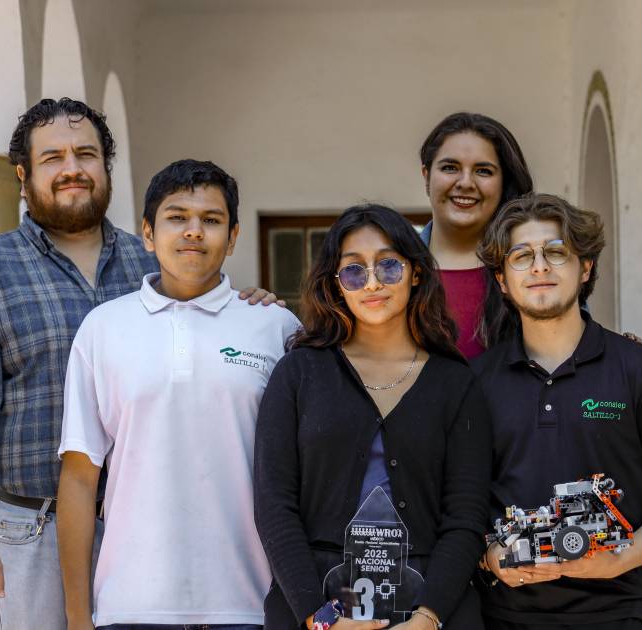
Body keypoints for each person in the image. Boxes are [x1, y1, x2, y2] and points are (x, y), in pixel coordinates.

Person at [0, 99, 277, 629]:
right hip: (35, 526)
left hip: (149, 529)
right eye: (53, 158)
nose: (72, 168)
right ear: (24, 176)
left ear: (105, 166)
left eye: (86, 154)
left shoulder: (153, 258)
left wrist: (252, 309)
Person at [57, 159, 300, 630]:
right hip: (130, 606)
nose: (193, 231)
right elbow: (80, 479)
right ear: (148, 234)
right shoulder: (102, 329)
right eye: (177, 217)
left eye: (211, 220)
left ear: (233, 237)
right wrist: (77, 617)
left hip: (252, 605)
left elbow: (304, 476)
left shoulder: (276, 327)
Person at [471, 194, 642, 629]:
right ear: (502, 280)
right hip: (500, 618)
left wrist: (619, 559)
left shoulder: (641, 369)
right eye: (522, 256)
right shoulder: (475, 382)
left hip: (615, 616)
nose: (539, 267)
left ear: (585, 268)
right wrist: (488, 557)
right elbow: (456, 504)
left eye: (556, 252)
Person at [254, 204, 492, 630]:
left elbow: (466, 516)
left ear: (415, 272)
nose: (372, 282)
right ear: (336, 284)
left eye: (388, 265)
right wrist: (320, 619)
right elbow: (274, 505)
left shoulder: (456, 383)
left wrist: (427, 618)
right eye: (353, 270)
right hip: (315, 607)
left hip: (434, 607)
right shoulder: (298, 372)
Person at [417, 112, 534, 358]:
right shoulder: (392, 271)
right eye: (450, 168)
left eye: (483, 171)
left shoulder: (537, 269)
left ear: (503, 182)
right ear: (426, 176)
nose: (466, 183)